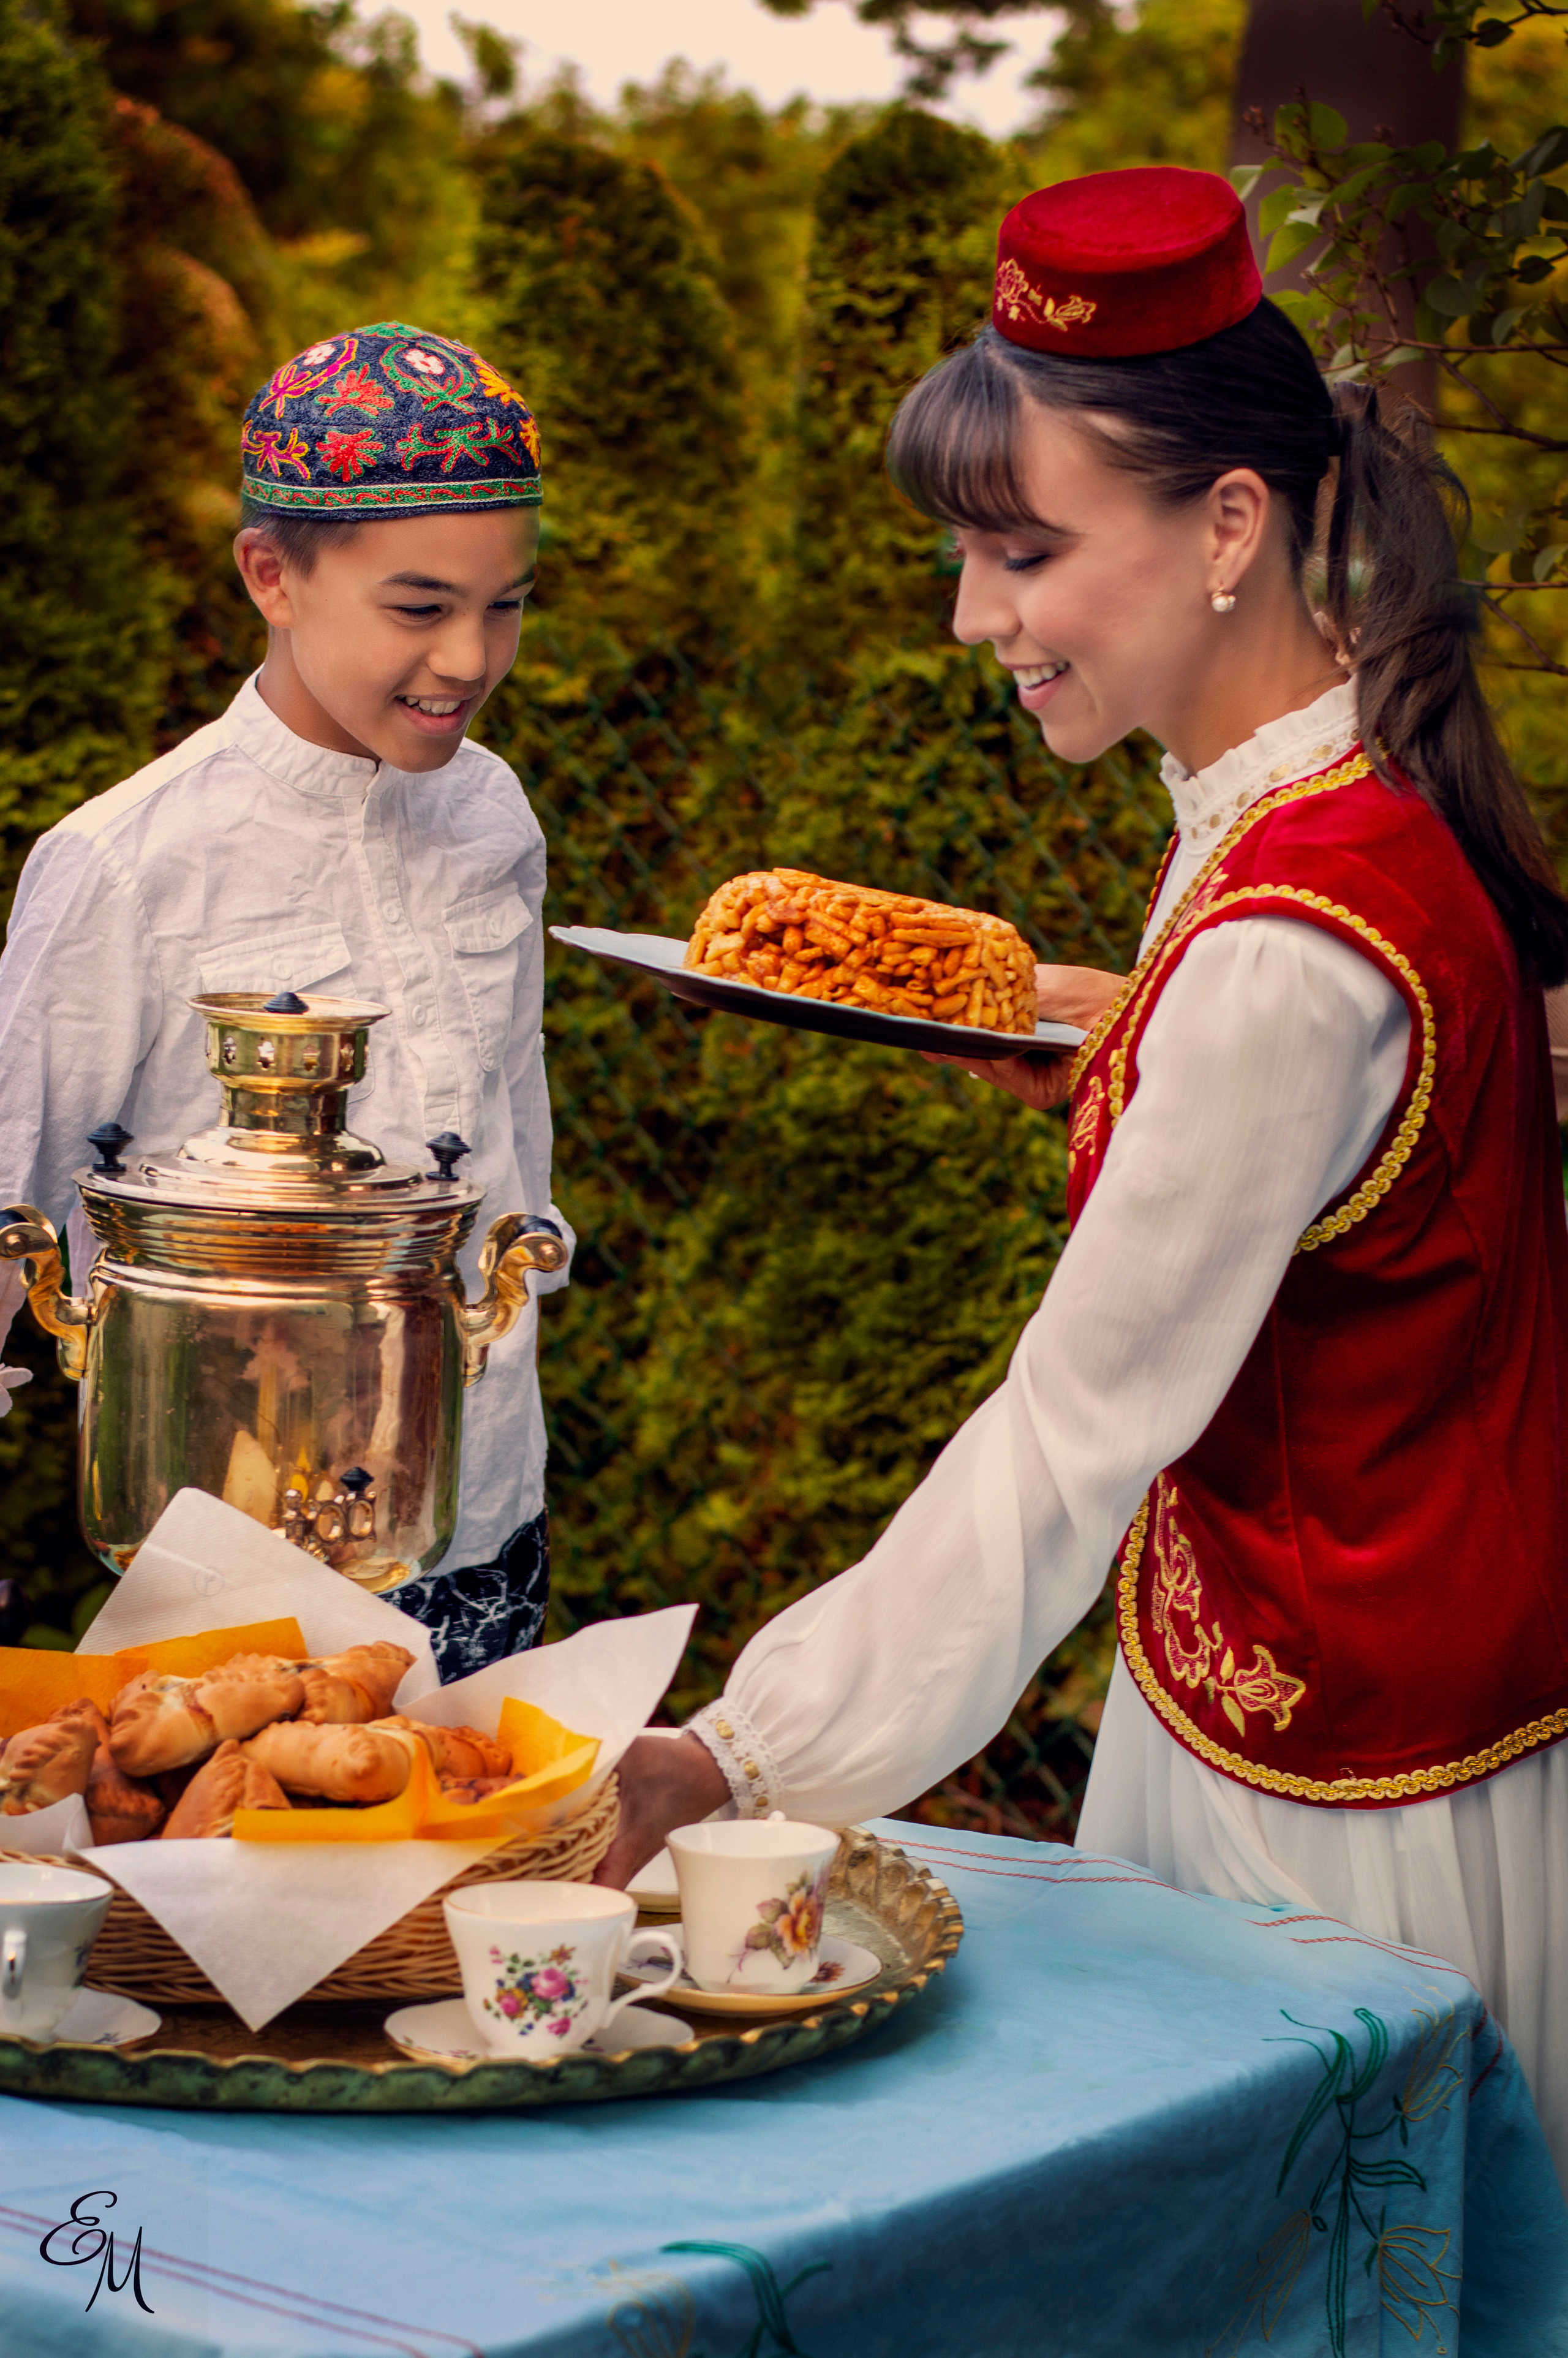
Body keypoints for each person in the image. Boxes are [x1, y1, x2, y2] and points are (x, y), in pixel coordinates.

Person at [600, 167, 1568, 2177]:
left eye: (1021, 552)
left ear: (1227, 529)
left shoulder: (1294, 939)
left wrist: (734, 1756)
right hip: (1281, 1707)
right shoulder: (1306, 821)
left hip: (1345, 1817)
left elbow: (1074, 1436)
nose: (973, 617)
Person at [0, 321, 573, 1675]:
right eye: (420, 608)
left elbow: (515, 1144)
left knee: (477, 1879)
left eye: (507, 604)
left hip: (487, 1517)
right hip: (218, 1569)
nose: (471, 658)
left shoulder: (493, 813)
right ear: (273, 574)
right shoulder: (124, 865)